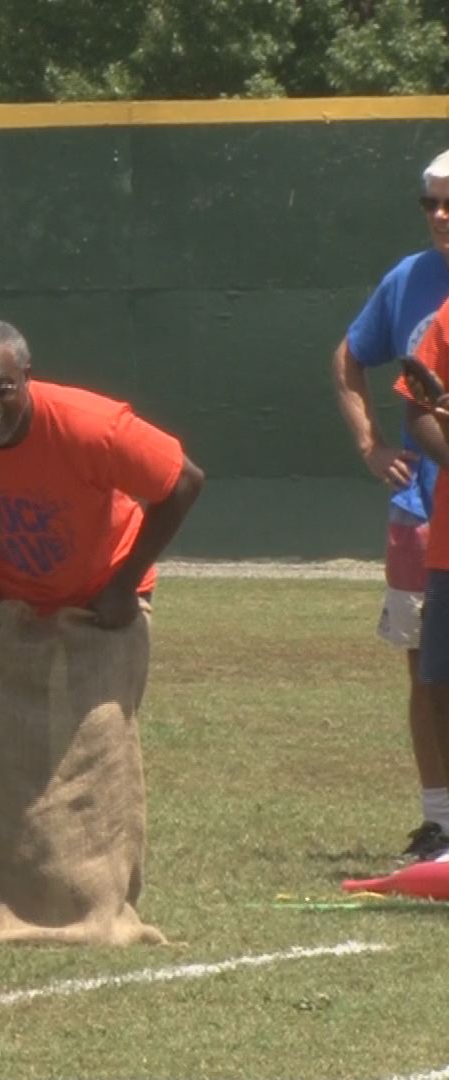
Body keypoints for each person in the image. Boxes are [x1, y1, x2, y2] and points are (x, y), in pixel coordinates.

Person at [0, 320, 203, 943]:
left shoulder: (91, 425)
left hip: (103, 598)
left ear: (27, 377)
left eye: (2, 390)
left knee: (95, 751)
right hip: (6, 599)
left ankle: (97, 908)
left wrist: (126, 582)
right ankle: (3, 905)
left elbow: (183, 482)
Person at [333, 149, 449, 862]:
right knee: (426, 667)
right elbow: (350, 357)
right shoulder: (408, 279)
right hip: (422, 511)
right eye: (430, 203)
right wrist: (372, 444)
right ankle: (438, 819)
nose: (440, 216)